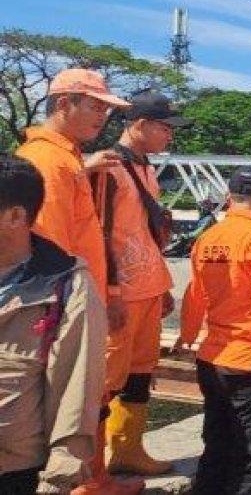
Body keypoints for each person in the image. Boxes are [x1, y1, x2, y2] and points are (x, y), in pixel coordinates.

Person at [15, 68, 143, 495]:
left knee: (90, 392)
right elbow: (48, 246)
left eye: (107, 109)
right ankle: (80, 482)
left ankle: (93, 477)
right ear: (63, 103)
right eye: (95, 106)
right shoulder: (48, 162)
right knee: (72, 395)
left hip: (77, 299)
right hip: (59, 307)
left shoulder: (66, 158)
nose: (102, 117)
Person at [179, 166, 251, 495]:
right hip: (249, 363)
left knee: (216, 447)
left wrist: (187, 336)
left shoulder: (207, 238)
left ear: (230, 197)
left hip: (212, 358)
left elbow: (194, 294)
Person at [96, 90, 190, 477]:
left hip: (148, 288)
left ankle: (128, 449)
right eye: (165, 128)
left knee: (140, 371)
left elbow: (146, 234)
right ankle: (94, 463)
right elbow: (99, 234)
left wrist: (163, 285)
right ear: (139, 125)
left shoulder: (147, 169)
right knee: (106, 378)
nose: (170, 135)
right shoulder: (108, 167)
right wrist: (111, 292)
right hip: (122, 293)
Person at [0, 155, 105, 494]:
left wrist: (62, 469)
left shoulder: (66, 285)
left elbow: (78, 383)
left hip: (14, 469)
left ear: (16, 216)